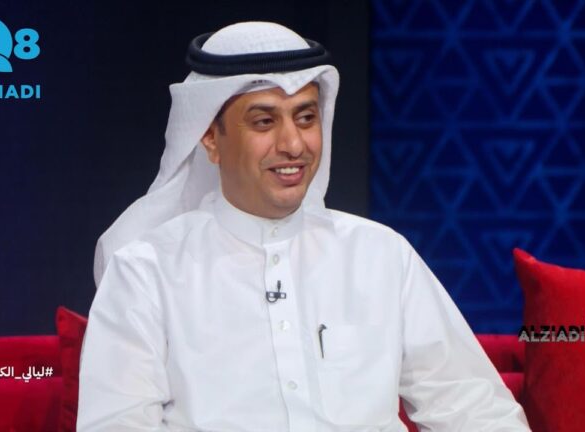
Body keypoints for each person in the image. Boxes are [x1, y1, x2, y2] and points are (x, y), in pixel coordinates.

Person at [78, 21, 530, 432]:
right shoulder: (145, 273)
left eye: (306, 117)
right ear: (210, 138)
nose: (293, 144)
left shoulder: (380, 255)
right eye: (264, 121)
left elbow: (473, 407)